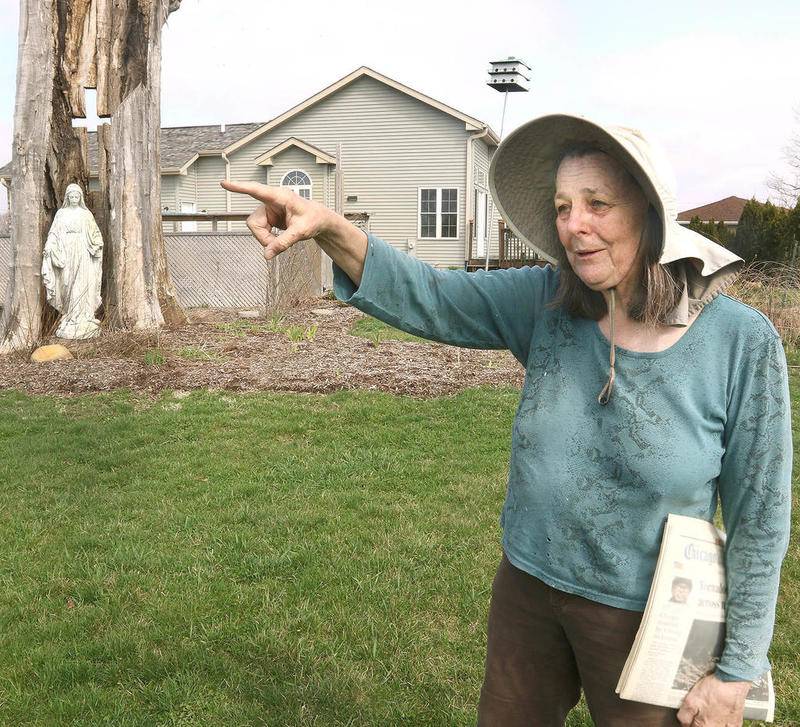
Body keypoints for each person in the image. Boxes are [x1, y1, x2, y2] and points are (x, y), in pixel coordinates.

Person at [220, 113, 792, 727]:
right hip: (529, 591)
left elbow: (760, 513)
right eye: (563, 206)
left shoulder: (738, 342)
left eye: (597, 204)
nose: (575, 226)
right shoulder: (546, 301)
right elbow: (433, 297)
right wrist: (330, 228)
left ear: (649, 215)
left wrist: (737, 670)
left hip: (651, 616)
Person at [42, 183, 104, 339]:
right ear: (67, 198)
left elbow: (95, 233)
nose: (75, 199)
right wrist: (50, 245)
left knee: (83, 281)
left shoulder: (86, 214)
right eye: (72, 196)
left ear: (81, 197)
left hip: (83, 251)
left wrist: (97, 244)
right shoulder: (61, 214)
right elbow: (54, 233)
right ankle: (70, 315)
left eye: (77, 196)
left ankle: (85, 316)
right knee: (67, 281)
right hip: (66, 251)